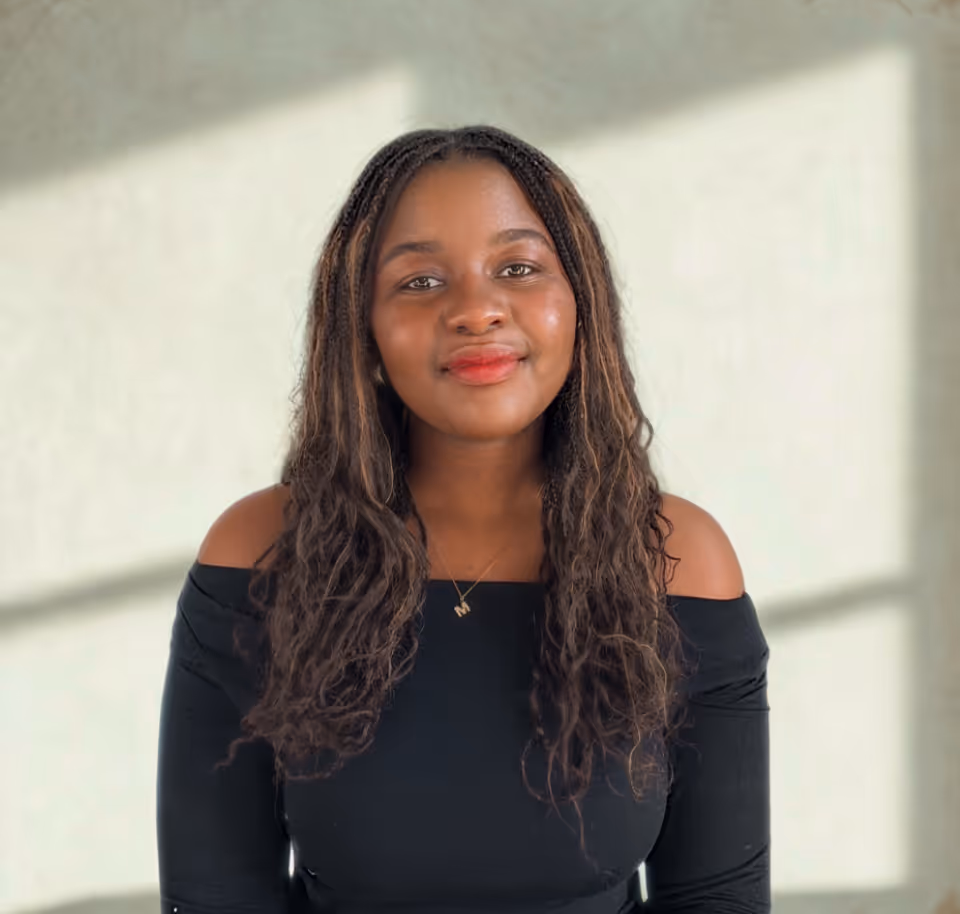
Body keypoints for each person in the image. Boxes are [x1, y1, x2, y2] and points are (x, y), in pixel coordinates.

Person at [156, 125, 770, 913]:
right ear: (364, 330)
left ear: (580, 306)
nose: (477, 310)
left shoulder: (680, 559)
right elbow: (215, 897)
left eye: (518, 268)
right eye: (419, 282)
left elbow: (717, 897)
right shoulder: (261, 553)